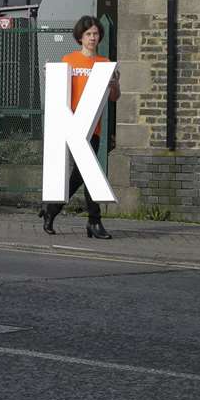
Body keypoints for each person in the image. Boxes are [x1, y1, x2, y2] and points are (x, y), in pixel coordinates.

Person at [40, 14, 120, 239]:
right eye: (88, 34)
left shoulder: (105, 64)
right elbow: (58, 89)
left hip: (92, 127)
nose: (92, 38)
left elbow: (115, 97)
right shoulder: (70, 60)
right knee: (87, 172)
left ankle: (51, 209)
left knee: (82, 174)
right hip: (71, 125)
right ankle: (94, 221)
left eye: (95, 34)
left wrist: (114, 84)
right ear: (80, 37)